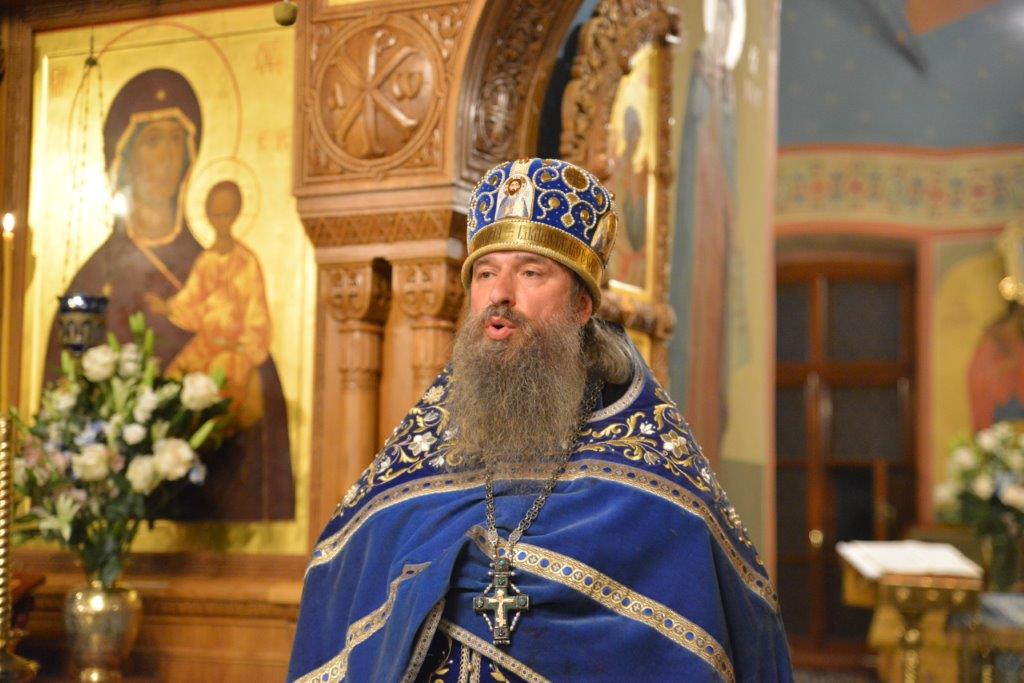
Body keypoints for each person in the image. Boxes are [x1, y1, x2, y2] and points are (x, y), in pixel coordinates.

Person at [289, 158, 791, 682]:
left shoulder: (652, 476)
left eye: (530, 272)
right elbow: (343, 597)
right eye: (485, 273)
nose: (499, 295)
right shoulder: (421, 454)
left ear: (581, 307)